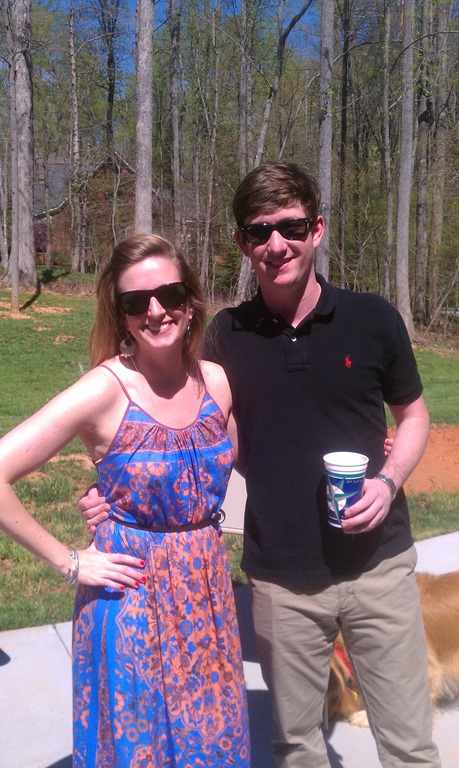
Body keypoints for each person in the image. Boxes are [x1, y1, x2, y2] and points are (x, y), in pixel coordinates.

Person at [80, 164, 440, 768]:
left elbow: (415, 416)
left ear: (317, 229)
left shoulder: (373, 318)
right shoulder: (225, 336)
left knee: (409, 746)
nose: (277, 245)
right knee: (297, 747)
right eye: (259, 231)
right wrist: (111, 490)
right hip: (280, 581)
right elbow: (180, 426)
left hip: (379, 566)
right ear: (243, 244)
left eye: (291, 227)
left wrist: (388, 480)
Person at [0, 233, 250, 767]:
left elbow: (228, 466)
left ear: (191, 301)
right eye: (137, 301)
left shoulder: (216, 382)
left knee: (212, 740)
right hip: (130, 597)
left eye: (170, 295)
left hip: (206, 596)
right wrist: (69, 561)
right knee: (140, 749)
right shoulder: (105, 388)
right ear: (122, 315)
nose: (156, 311)